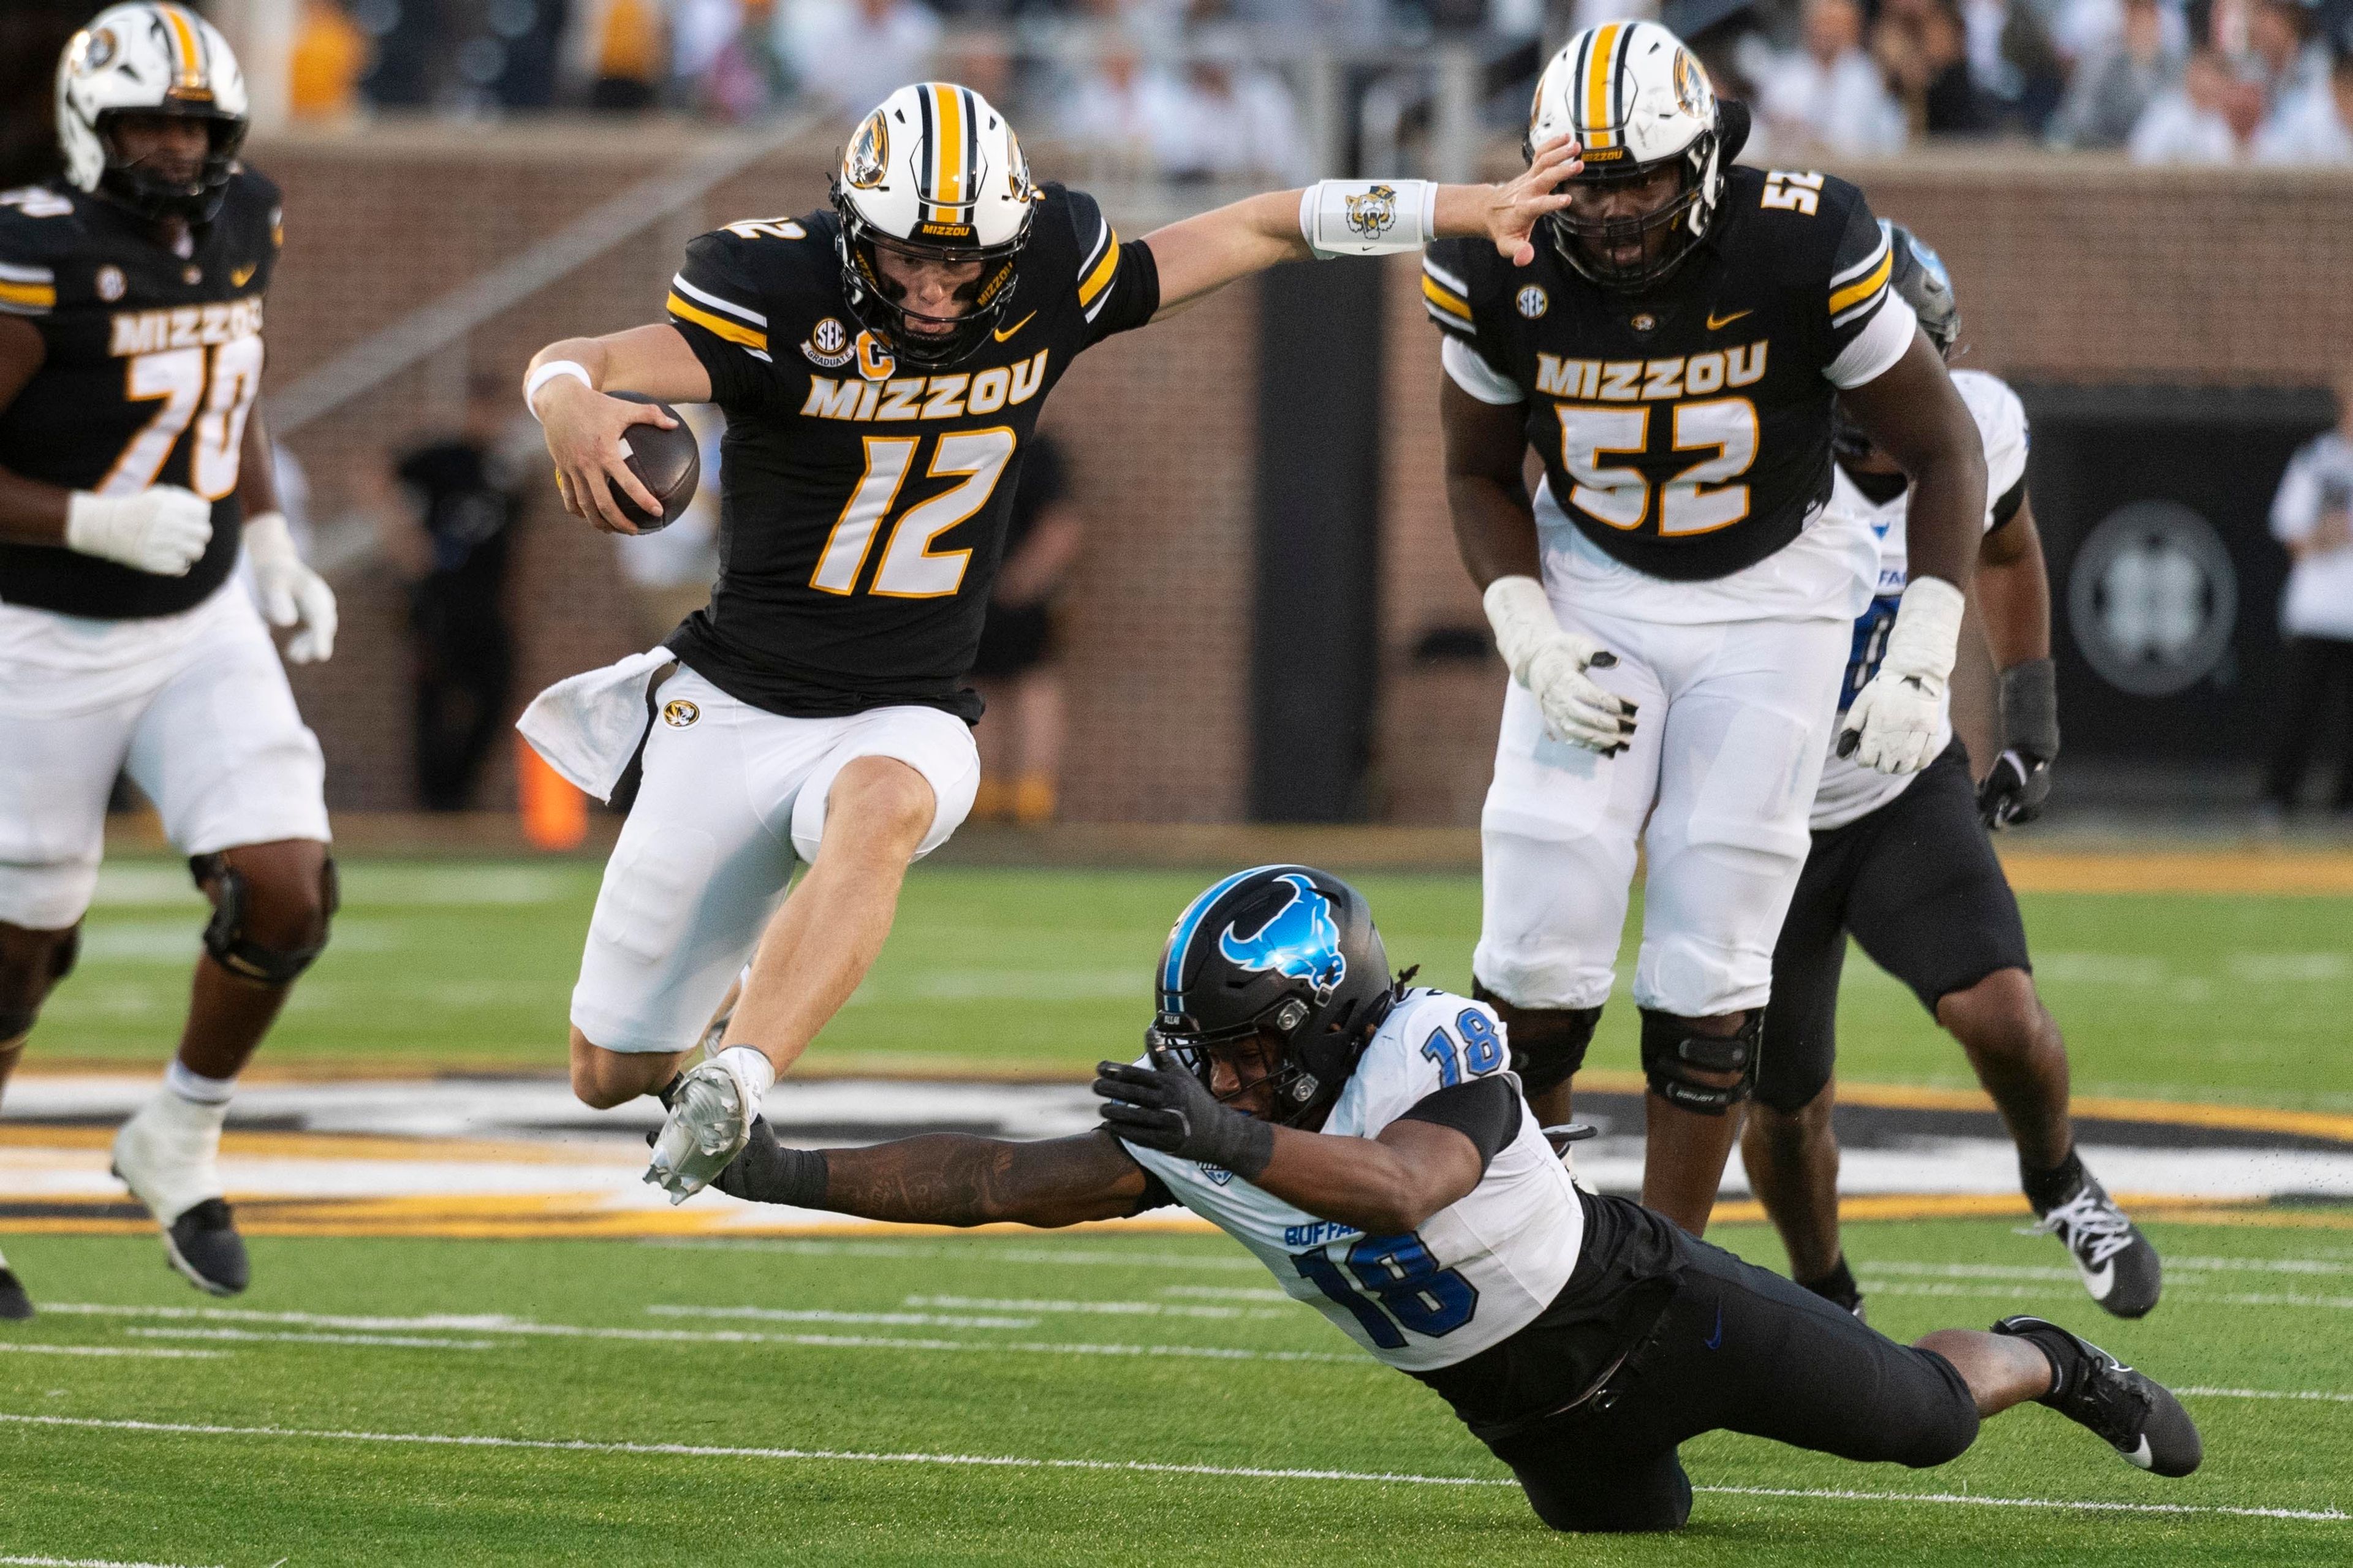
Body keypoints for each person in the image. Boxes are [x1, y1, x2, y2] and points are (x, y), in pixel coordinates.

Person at [520, 80, 1588, 1202]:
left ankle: (740, 1071)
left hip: (907, 703)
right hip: (736, 701)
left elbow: (1271, 221)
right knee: (609, 1070)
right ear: (850, 233)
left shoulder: (1048, 279)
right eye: (903, 261)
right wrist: (564, 402)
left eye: (963, 263)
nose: (934, 291)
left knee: (880, 802)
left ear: (1013, 240)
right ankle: (748, 976)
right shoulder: (775, 292)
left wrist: (1469, 207)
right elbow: (580, 354)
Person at [698, 864, 2203, 1533]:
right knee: (1635, 1528)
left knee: (1923, 1423)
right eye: (1205, 1045)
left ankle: (2044, 1351)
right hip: (1519, 1406)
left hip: (1651, 1309)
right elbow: (991, 1181)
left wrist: (1217, 1127)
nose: (1211, 1068)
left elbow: (1400, 1187)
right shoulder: (1223, 1109)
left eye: (1237, 1044)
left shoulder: (1436, 1042)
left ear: (1315, 1018)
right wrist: (765, 1166)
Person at [1422, 20, 1987, 1236]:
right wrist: (1524, 624)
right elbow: (1476, 471)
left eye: (1641, 178)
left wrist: (1925, 650)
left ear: (1707, 160)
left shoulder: (1802, 237)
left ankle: (1663, 1265)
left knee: (1714, 946)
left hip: (1777, 589)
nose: (1616, 211)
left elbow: (1947, 448)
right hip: (1593, 578)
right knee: (1535, 927)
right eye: (1590, 181)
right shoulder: (1491, 259)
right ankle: (1539, 1236)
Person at [1732, 225, 2162, 1322]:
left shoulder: (1986, 428)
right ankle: (1829, 1296)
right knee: (1783, 1110)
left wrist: (2030, 715)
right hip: (1753, 812)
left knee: (2005, 1016)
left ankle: (2058, 1176)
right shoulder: (1749, 450)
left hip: (1895, 787)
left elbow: (2008, 547)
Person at [0, 5, 340, 1317]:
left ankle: (179, 1135)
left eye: (194, 123)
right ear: (92, 124)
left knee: (287, 890)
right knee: (18, 955)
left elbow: (228, 373)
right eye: (148, 122)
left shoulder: (245, 214)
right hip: (40, 631)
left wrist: (267, 534)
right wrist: (82, 515)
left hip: (198, 619)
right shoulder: (36, 256)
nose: (173, 146)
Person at [385, 374, 526, 812]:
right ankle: (434, 804)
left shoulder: (504, 468)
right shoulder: (442, 458)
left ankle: (457, 796)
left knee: (497, 690)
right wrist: (406, 543)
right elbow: (378, 476)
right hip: (439, 600)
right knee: (433, 697)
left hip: (486, 604)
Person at [970, 432, 1082, 825]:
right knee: (981, 689)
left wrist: (1025, 579)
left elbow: (1062, 526)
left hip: (1012, 595)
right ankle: (987, 798)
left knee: (1031, 684)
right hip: (974, 592)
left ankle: (1032, 799)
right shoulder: (978, 443)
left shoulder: (1037, 451)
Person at [2260, 360, 2353, 816]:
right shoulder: (2317, 458)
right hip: (2317, 610)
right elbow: (2292, 534)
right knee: (2300, 711)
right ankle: (2278, 800)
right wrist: (2328, 534)